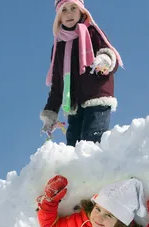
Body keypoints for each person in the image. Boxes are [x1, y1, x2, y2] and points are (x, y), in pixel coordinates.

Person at [40, 0, 123, 146]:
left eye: (73, 8)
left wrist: (104, 60)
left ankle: (94, 167)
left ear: (81, 11)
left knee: (91, 140)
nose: (69, 13)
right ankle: (74, 168)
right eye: (64, 10)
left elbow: (110, 55)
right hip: (74, 104)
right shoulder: (59, 46)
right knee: (73, 144)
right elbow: (58, 84)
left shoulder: (93, 32)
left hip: (97, 97)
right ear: (58, 16)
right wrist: (50, 113)